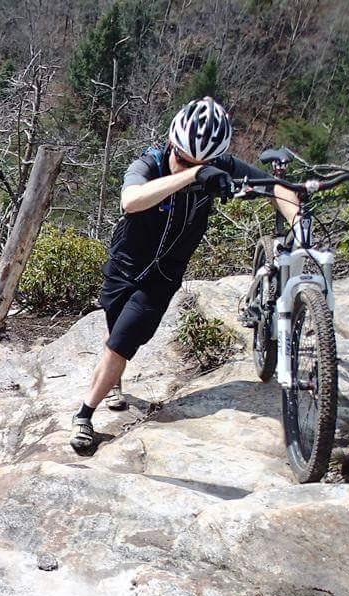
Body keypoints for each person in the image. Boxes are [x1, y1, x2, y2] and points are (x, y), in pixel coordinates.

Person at [69, 97, 299, 451]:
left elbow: (276, 189)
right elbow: (130, 201)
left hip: (163, 276)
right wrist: (194, 175)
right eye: (182, 158)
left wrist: (298, 225)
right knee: (114, 327)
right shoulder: (150, 162)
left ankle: (84, 415)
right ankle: (113, 380)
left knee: (121, 343)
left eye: (197, 163)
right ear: (172, 144)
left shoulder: (222, 166)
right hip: (125, 265)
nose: (184, 166)